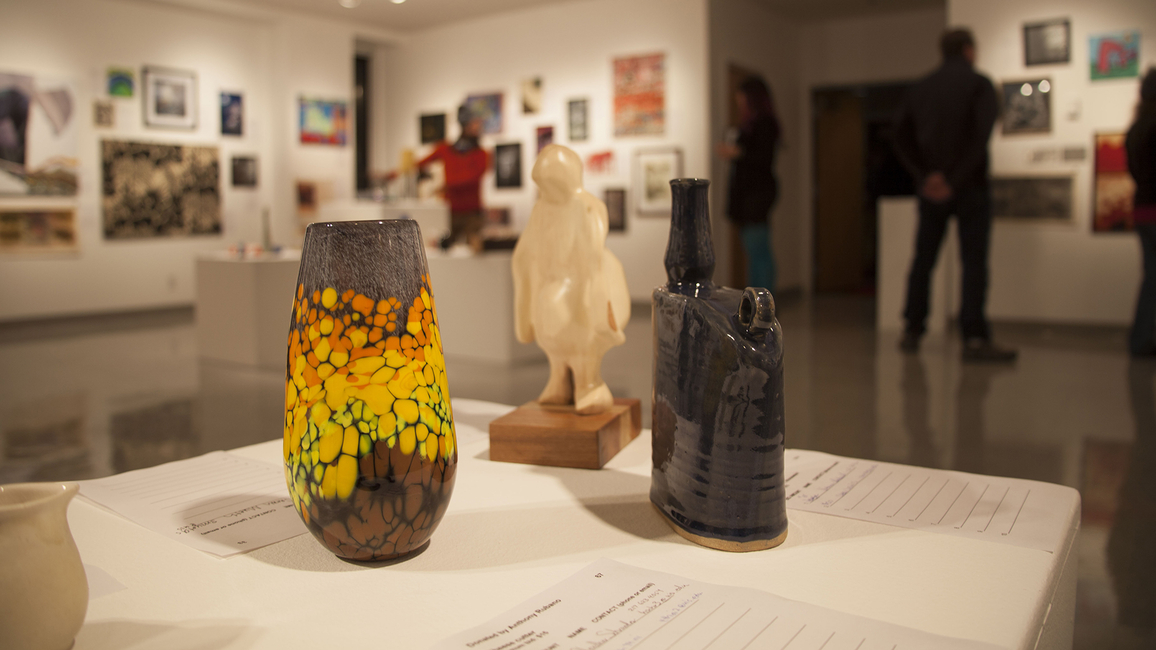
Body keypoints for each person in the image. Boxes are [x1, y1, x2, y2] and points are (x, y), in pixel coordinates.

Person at [892, 28, 1016, 362]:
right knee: (973, 262)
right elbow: (980, 138)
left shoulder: (921, 88)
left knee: (923, 260)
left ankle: (912, 329)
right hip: (969, 187)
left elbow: (899, 138)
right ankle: (973, 337)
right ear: (968, 50)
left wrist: (926, 177)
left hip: (933, 190)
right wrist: (955, 181)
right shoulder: (979, 84)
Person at [717, 75, 780, 293]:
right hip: (750, 196)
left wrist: (738, 153)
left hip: (756, 196)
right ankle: (756, 299)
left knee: (758, 251)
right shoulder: (753, 124)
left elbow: (762, 158)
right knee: (755, 251)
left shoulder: (764, 124)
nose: (738, 101)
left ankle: (762, 301)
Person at [415, 104, 491, 247]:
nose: (478, 127)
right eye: (475, 123)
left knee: (474, 249)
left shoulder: (482, 154)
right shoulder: (445, 149)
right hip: (449, 213)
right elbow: (419, 163)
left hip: (472, 214)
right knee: (444, 249)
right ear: (465, 125)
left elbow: (472, 178)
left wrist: (446, 186)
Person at [1127, 68, 1156, 356]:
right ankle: (1141, 339)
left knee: (1151, 277)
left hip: (1142, 210)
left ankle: (1140, 338)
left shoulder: (1136, 127)